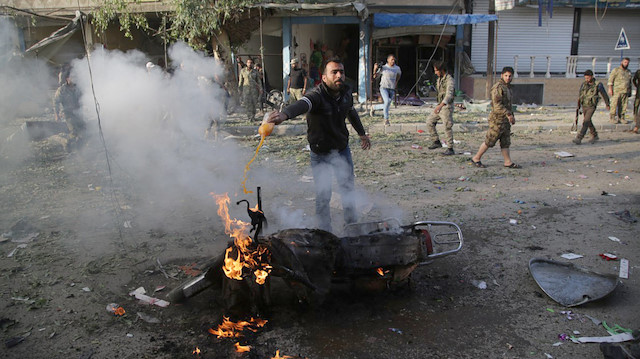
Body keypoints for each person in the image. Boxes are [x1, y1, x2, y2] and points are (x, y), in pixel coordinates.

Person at [267, 58, 371, 232]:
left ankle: (352, 226)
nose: (339, 75)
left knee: (347, 189)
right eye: (334, 72)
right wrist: (285, 115)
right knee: (323, 195)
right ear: (324, 77)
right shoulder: (317, 95)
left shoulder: (346, 92)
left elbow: (350, 112)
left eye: (341, 72)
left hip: (341, 149)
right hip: (320, 153)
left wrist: (362, 134)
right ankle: (324, 232)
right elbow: (303, 104)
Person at [471, 67, 520, 169]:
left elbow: (508, 105)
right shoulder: (498, 88)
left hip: (505, 120)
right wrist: (509, 114)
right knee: (490, 140)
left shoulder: (508, 88)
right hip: (497, 119)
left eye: (510, 76)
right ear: (502, 75)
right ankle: (476, 158)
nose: (508, 78)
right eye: (506, 75)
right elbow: (497, 105)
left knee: (505, 141)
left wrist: (512, 116)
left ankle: (508, 161)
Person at [425, 61, 455, 155]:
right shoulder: (439, 79)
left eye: (436, 70)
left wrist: (440, 105)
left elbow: (449, 95)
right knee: (429, 121)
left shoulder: (450, 80)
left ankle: (450, 148)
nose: (435, 73)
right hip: (440, 106)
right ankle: (436, 141)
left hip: (446, 107)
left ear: (442, 70)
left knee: (447, 127)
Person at [573, 70, 610, 145]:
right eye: (585, 78)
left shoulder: (598, 85)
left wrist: (607, 104)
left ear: (592, 77)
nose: (586, 80)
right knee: (588, 121)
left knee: (586, 121)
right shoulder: (584, 84)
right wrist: (578, 106)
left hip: (592, 106)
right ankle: (595, 135)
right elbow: (580, 95)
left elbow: (604, 94)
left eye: (588, 78)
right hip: (584, 105)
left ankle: (579, 137)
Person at [53, 69, 84, 148]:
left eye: (75, 77)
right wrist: (57, 115)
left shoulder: (78, 89)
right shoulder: (62, 90)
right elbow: (56, 102)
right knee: (74, 132)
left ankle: (79, 145)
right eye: (72, 77)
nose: (74, 79)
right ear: (67, 79)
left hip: (78, 113)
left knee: (84, 130)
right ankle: (64, 142)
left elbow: (83, 99)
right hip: (68, 114)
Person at [373, 54, 401, 126]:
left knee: (387, 104)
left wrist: (396, 83)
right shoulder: (384, 68)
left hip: (392, 88)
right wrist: (375, 69)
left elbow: (398, 75)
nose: (393, 61)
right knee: (387, 101)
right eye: (391, 59)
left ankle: (374, 107)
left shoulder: (397, 68)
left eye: (394, 60)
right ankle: (386, 119)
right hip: (384, 87)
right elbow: (375, 76)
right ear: (388, 60)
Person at [607, 57, 632, 124]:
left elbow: (630, 82)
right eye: (625, 62)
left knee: (624, 105)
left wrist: (630, 91)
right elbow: (610, 80)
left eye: (627, 63)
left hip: (625, 91)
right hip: (616, 91)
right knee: (614, 105)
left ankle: (621, 117)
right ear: (622, 62)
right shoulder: (616, 70)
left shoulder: (628, 72)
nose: (626, 64)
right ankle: (612, 118)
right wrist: (610, 89)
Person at [632, 69, 640, 133]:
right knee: (636, 105)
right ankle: (637, 126)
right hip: (639, 93)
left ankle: (637, 126)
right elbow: (634, 80)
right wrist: (637, 86)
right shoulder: (638, 72)